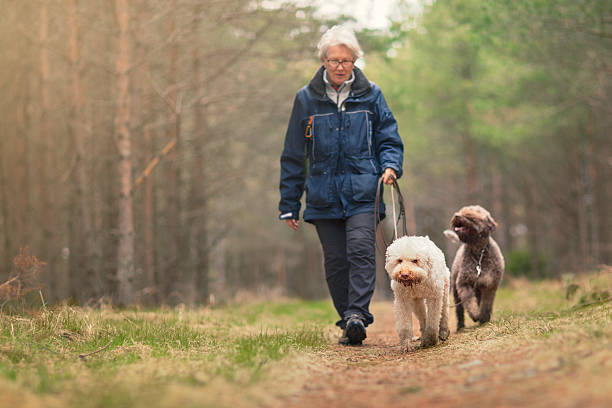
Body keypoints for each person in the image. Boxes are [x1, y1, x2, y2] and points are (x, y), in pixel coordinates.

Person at [278, 25, 403, 345]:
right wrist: (290, 203)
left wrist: (390, 165)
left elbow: (388, 136)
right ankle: (348, 318)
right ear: (323, 60)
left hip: (364, 191)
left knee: (361, 251)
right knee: (335, 260)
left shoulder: (371, 94)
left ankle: (357, 315)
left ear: (354, 62)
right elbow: (294, 154)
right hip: (322, 194)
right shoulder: (306, 99)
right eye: (333, 60)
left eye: (346, 61)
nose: (339, 67)